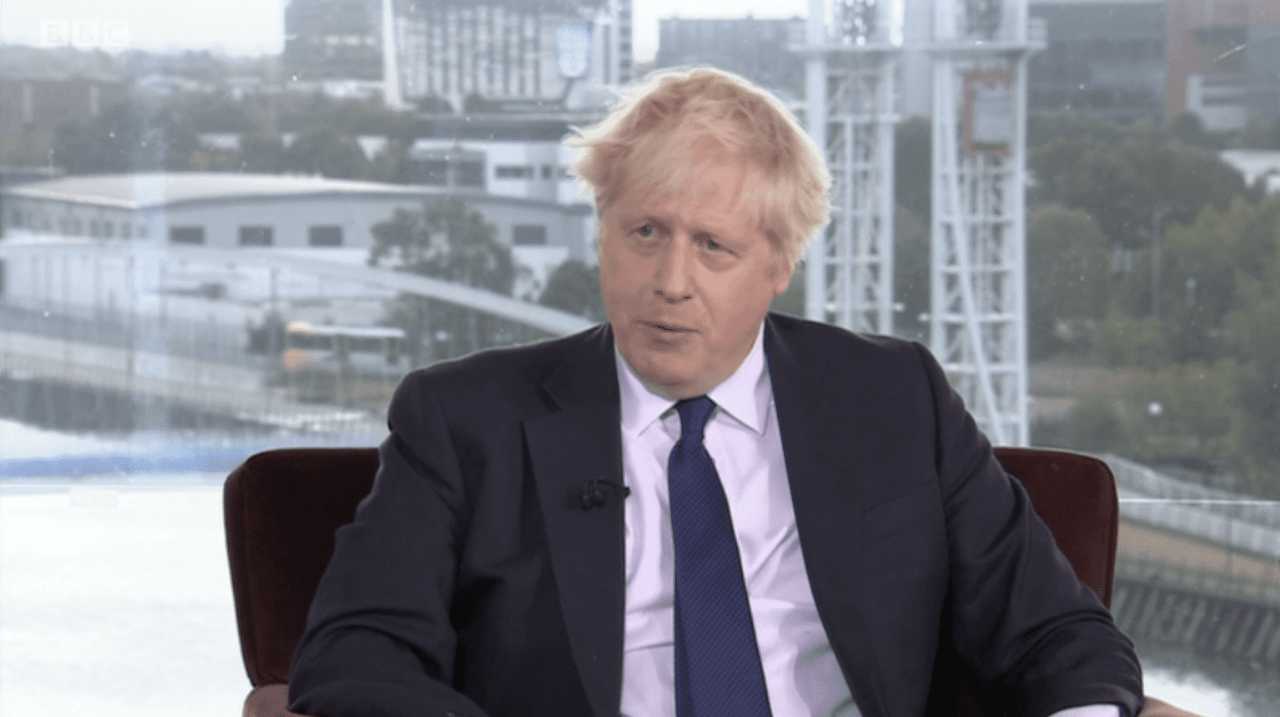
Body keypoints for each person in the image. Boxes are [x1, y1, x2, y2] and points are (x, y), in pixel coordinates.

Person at [287, 68, 1144, 717]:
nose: (670, 281)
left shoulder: (893, 398)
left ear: (778, 266)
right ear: (601, 235)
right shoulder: (463, 418)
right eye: (645, 232)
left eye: (713, 247)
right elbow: (355, 650)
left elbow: (1056, 633)